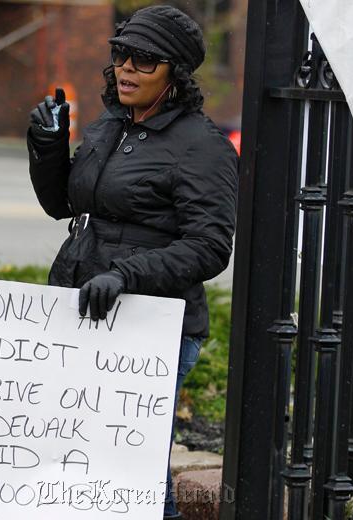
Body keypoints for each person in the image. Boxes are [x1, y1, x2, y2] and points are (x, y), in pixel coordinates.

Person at [27, 5, 238, 519]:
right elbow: (65, 206)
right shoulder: (109, 126)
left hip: (151, 326)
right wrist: (49, 146)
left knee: (130, 464)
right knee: (75, 451)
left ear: (176, 74)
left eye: (144, 61)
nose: (126, 68)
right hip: (85, 311)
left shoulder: (202, 147)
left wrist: (126, 274)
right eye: (122, 55)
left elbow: (210, 245)